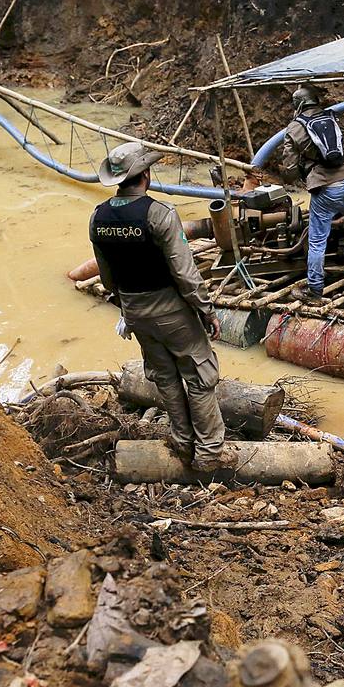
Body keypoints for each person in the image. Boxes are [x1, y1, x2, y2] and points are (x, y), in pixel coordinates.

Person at [90, 142, 235, 471]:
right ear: (146, 175)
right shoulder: (159, 213)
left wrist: (127, 307)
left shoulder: (98, 217)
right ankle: (210, 453)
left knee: (166, 378)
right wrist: (206, 310)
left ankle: (183, 443)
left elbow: (107, 276)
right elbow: (185, 273)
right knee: (199, 375)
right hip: (171, 310)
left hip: (135, 311)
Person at [274, 83, 344, 302]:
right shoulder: (337, 118)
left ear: (298, 105)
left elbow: (289, 170)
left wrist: (304, 169)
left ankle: (315, 290)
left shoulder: (294, 129)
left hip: (324, 189)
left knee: (317, 241)